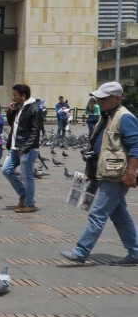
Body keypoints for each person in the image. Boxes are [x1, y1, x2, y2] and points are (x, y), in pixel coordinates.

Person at [59, 82, 138, 266]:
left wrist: (131, 173)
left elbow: (135, 146)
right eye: (98, 98)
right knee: (119, 216)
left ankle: (81, 252)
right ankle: (135, 252)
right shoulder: (107, 116)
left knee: (98, 212)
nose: (98, 101)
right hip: (105, 172)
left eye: (103, 98)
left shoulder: (124, 117)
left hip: (115, 175)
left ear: (117, 98)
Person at [3, 83, 42, 213]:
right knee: (6, 170)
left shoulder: (34, 109)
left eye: (15, 95)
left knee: (27, 176)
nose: (13, 98)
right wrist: (10, 111)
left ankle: (29, 203)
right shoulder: (20, 108)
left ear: (23, 96)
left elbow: (35, 131)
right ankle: (23, 194)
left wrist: (25, 147)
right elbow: (12, 124)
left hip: (27, 148)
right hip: (15, 147)